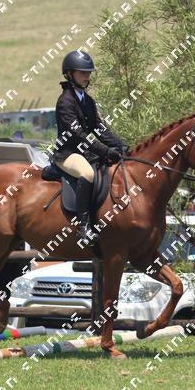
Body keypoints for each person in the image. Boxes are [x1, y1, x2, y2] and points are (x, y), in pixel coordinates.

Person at [52, 50, 126, 244]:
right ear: (70, 74)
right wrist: (105, 150)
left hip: (85, 152)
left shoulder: (87, 100)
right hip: (67, 154)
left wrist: (120, 145)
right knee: (88, 174)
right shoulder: (65, 102)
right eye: (82, 72)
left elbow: (99, 128)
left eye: (88, 73)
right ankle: (83, 227)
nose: (87, 76)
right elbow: (78, 135)